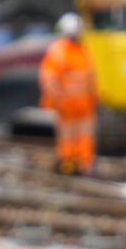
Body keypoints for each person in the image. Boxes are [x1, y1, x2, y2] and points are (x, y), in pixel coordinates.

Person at [40, 12, 97, 175]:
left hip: (84, 105)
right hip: (68, 106)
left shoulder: (81, 51)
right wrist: (57, 99)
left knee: (83, 136)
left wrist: (94, 98)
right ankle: (69, 164)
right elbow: (50, 78)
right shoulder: (59, 51)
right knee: (69, 137)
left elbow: (90, 77)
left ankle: (83, 164)